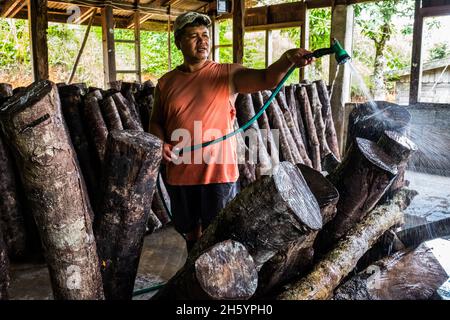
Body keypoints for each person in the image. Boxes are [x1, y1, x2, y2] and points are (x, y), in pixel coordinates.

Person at [149, 12, 313, 252]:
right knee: (190, 233)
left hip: (218, 173)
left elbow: (266, 78)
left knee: (219, 234)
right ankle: (192, 275)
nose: (202, 41)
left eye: (205, 35)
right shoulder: (165, 83)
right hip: (180, 172)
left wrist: (287, 59)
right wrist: (160, 142)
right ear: (178, 42)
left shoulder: (227, 74)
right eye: (193, 36)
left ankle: (219, 281)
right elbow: (156, 122)